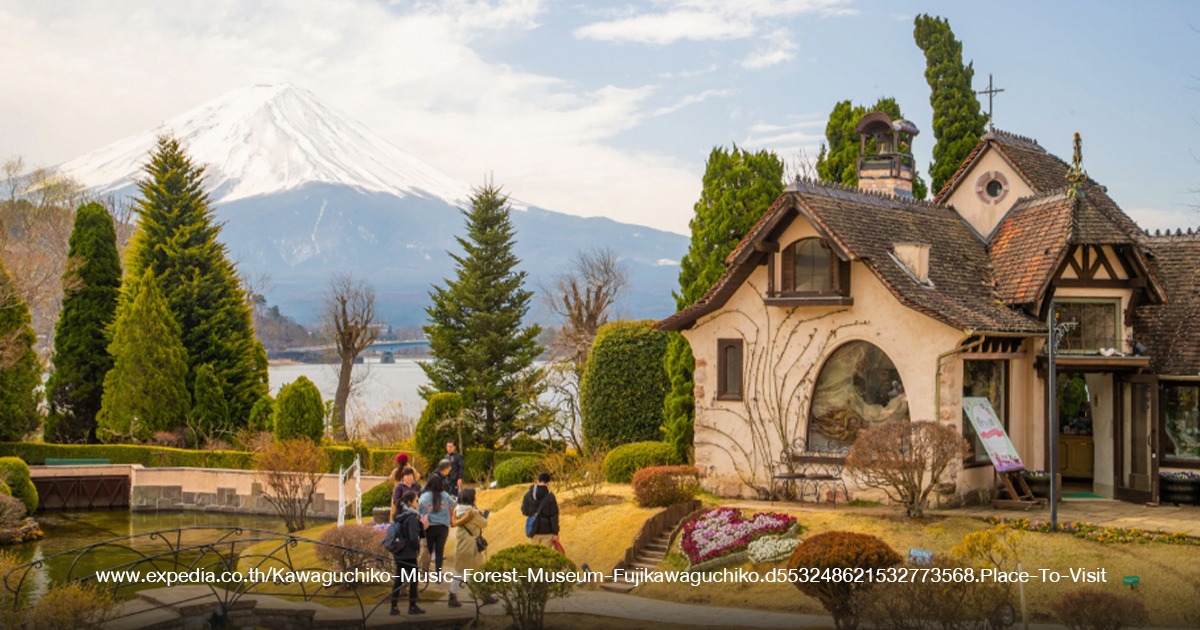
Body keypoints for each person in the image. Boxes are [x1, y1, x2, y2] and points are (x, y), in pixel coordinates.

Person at [447, 488, 495, 607]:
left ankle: (452, 596)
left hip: (461, 544)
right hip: (471, 545)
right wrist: (483, 516)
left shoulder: (457, 511)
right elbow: (484, 524)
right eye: (475, 496)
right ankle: (484, 595)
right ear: (471, 498)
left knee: (459, 570)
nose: (476, 497)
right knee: (478, 570)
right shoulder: (472, 512)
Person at [389, 490, 425, 616]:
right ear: (410, 502)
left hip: (399, 551)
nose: (418, 503)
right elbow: (413, 537)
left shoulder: (400, 516)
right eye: (416, 500)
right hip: (409, 553)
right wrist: (417, 546)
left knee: (398, 580)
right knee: (413, 580)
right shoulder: (412, 518)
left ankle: (393, 607)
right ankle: (412, 606)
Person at [417, 474, 456, 576]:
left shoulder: (424, 496)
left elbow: (419, 510)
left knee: (427, 550)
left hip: (428, 527)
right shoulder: (446, 495)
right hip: (443, 527)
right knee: (440, 551)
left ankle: (425, 573)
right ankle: (438, 574)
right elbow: (453, 504)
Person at [520, 472, 559, 549]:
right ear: (548, 483)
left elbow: (524, 511)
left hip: (534, 530)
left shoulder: (528, 495)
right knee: (546, 556)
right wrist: (555, 533)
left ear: (537, 481)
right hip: (548, 531)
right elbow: (554, 516)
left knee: (534, 557)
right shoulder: (550, 496)